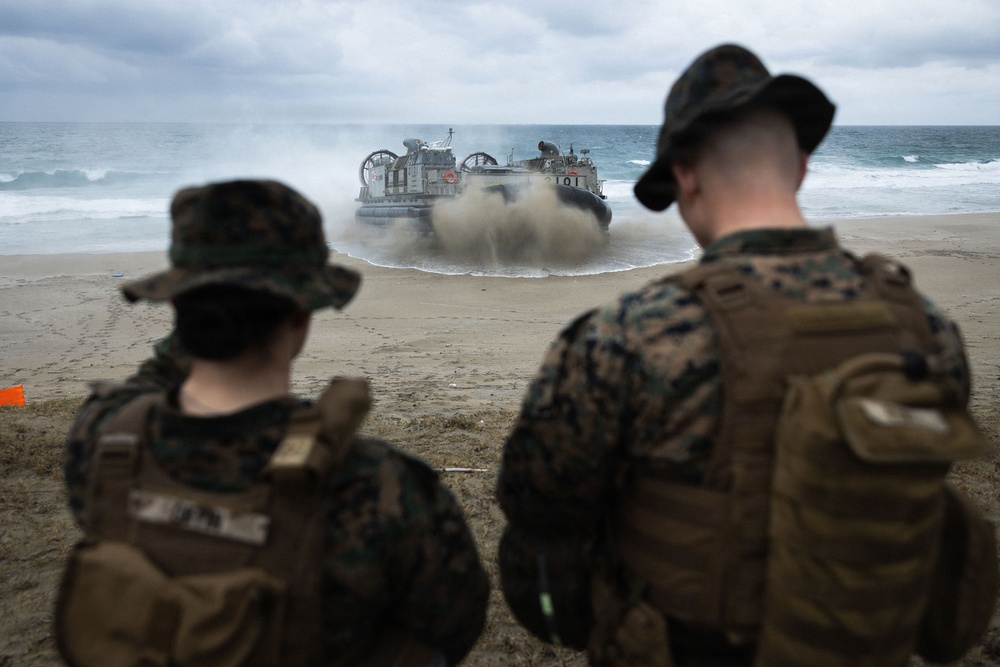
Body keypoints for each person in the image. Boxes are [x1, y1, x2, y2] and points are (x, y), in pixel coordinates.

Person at [496, 44, 997, 666]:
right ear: (803, 168)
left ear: (684, 175)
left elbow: (534, 502)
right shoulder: (927, 329)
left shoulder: (629, 334)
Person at [58, 179, 489, 666]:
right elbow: (455, 622)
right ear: (302, 316)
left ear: (177, 306)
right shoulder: (382, 488)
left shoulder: (102, 440)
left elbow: (148, 383)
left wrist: (208, 304)